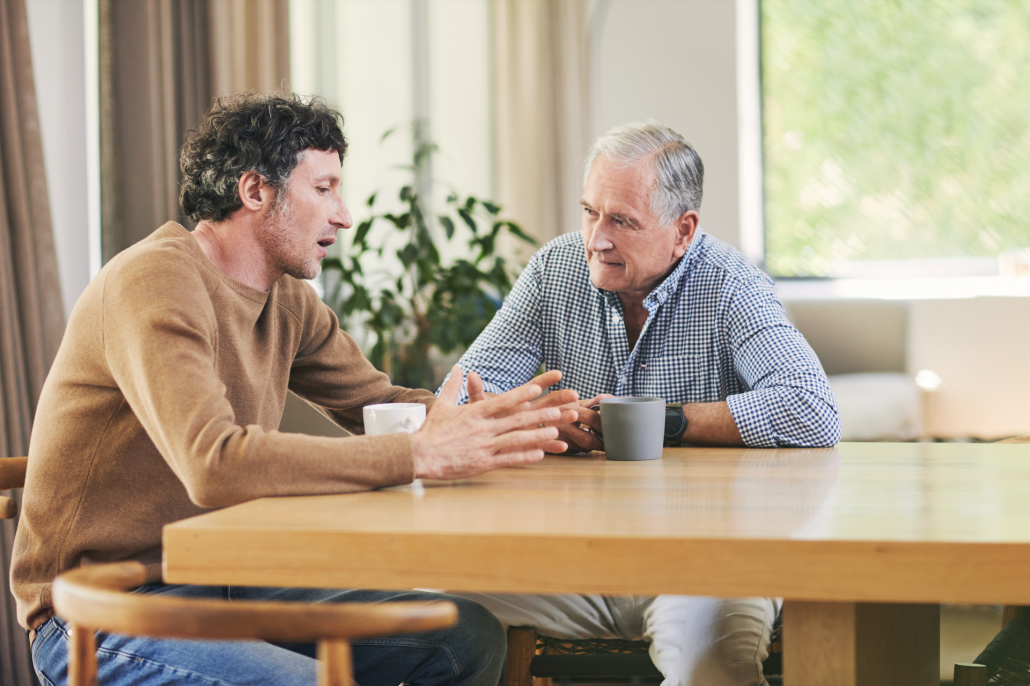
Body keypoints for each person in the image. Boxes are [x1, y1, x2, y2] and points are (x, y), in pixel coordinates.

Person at [11, 93, 581, 686]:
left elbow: (376, 405)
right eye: (324, 189)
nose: (344, 215)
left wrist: (495, 421)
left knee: (462, 638)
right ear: (255, 191)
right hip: (99, 613)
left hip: (222, 581)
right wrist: (419, 453)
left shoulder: (287, 302)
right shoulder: (154, 280)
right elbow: (214, 464)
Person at [445, 120, 841, 686]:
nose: (596, 239)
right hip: (571, 560)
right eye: (589, 212)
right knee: (423, 613)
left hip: (708, 564)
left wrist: (662, 422)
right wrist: (528, 417)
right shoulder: (555, 269)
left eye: (622, 221)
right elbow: (463, 389)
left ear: (683, 230)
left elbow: (811, 408)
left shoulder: (732, 284)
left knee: (713, 665)